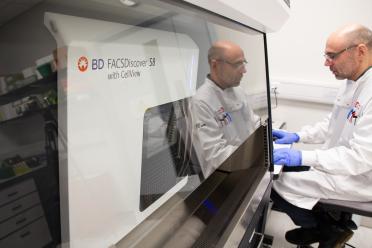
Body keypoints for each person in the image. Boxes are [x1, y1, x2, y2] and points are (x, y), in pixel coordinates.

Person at [272, 24, 372, 248]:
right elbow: (332, 124)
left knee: (274, 183)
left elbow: (360, 158)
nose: (326, 63)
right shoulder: (352, 81)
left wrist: (303, 158)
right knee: (282, 171)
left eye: (332, 56)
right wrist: (296, 136)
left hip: (361, 177)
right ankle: (326, 224)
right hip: (339, 164)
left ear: (361, 51)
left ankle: (325, 230)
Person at [190, 40, 259, 178]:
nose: (244, 70)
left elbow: (253, 122)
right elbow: (217, 154)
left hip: (249, 165)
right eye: (237, 64)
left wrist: (269, 137)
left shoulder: (237, 90)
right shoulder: (201, 101)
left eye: (243, 63)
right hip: (225, 176)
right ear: (215, 65)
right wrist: (255, 155)